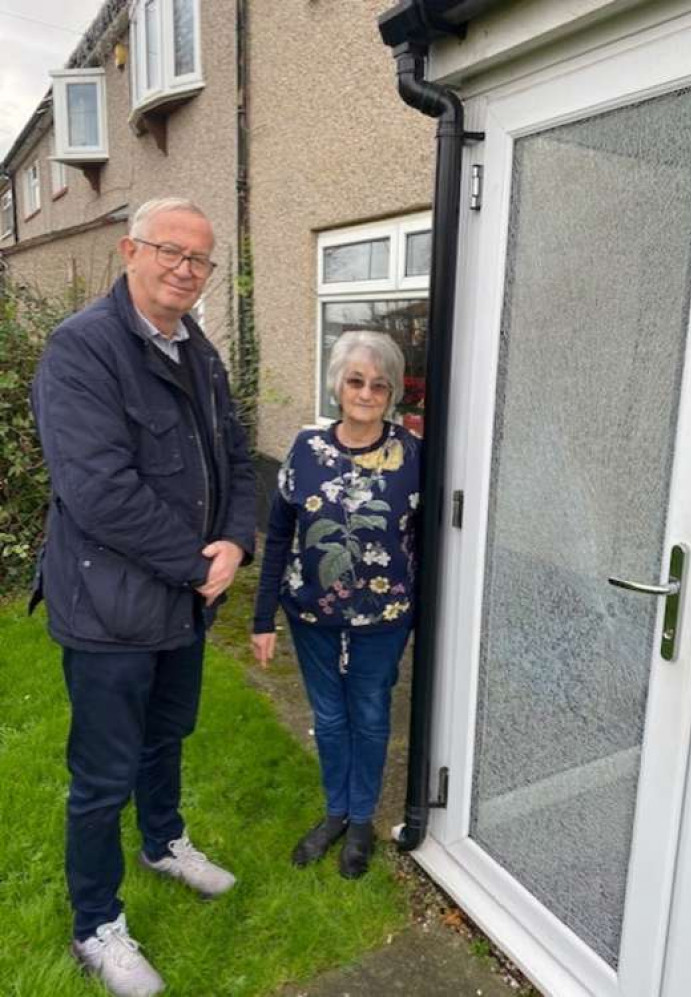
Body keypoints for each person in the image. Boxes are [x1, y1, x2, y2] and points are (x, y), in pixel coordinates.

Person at [30, 198, 255, 997]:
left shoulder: (200, 351)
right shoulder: (82, 349)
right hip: (108, 609)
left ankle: (162, 841)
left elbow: (234, 449)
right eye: (171, 251)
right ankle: (97, 924)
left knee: (168, 737)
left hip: (182, 606)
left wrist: (237, 541)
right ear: (130, 249)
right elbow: (98, 491)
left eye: (201, 259)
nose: (186, 269)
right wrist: (198, 566)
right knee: (101, 776)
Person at [252, 330, 420, 880]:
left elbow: (432, 538)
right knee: (328, 717)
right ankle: (335, 813)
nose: (366, 393)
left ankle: (362, 822)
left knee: (370, 716)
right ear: (337, 385)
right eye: (356, 380)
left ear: (392, 393)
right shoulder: (307, 450)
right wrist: (261, 618)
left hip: (385, 616)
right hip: (311, 613)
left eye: (379, 384)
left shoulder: (413, 454)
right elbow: (278, 535)